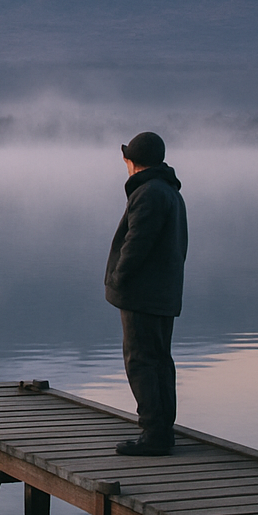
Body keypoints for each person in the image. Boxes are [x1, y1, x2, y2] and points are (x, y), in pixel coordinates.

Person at [104, 131, 188, 456]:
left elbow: (137, 243)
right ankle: (162, 430)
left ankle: (153, 434)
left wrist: (118, 278)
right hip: (163, 293)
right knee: (160, 361)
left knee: (140, 361)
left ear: (132, 161)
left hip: (142, 295)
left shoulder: (149, 193)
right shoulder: (169, 191)